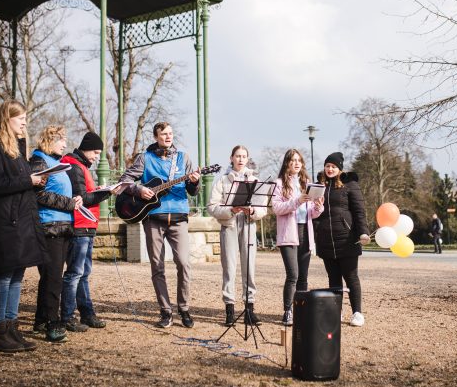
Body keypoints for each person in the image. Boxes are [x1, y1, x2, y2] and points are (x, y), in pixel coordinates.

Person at [119, 121, 200, 328]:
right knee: (157, 266)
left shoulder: (183, 158)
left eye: (170, 133)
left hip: (179, 217)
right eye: (164, 134)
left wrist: (194, 181)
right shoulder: (145, 158)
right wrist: (139, 190)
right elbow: (125, 180)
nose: (168, 136)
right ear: (156, 136)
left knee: (184, 263)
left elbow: (193, 191)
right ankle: (165, 311)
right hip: (153, 217)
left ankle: (184, 308)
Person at [0, 100, 47, 353]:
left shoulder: (16, 148)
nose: (24, 123)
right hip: (5, 222)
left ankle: (12, 328)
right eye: (21, 119)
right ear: (7, 118)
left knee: (17, 275)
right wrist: (28, 180)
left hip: (21, 220)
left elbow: (19, 181)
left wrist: (36, 181)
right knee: (4, 274)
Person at [30, 126, 83, 343]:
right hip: (49, 226)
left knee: (51, 277)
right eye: (61, 140)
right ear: (50, 140)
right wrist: (69, 203)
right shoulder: (39, 161)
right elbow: (39, 195)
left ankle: (41, 321)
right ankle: (53, 324)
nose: (65, 144)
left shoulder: (56, 163)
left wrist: (75, 200)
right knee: (53, 279)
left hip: (62, 226)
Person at [207, 145, 268, 327]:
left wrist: (253, 211)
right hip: (230, 226)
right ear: (231, 158)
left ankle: (249, 309)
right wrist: (230, 210)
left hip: (248, 225)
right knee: (229, 268)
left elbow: (263, 208)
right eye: (237, 156)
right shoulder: (223, 180)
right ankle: (229, 310)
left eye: (244, 156)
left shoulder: (255, 181)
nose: (241, 159)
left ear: (247, 159)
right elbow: (212, 206)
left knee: (249, 267)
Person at [59, 131, 112, 332]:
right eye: (95, 152)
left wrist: (98, 191)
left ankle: (87, 313)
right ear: (86, 148)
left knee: (83, 273)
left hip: (87, 225)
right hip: (79, 226)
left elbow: (85, 194)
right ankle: (67, 316)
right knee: (75, 273)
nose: (97, 157)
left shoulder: (80, 166)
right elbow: (82, 199)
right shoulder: (74, 166)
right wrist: (106, 192)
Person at [314, 152, 370, 327]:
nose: (330, 169)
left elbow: (359, 211)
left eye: (333, 166)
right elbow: (313, 213)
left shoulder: (350, 185)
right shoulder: (319, 186)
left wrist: (363, 232)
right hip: (325, 240)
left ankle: (357, 313)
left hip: (347, 239)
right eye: (327, 166)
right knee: (333, 278)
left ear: (340, 168)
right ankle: (335, 311)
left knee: (351, 277)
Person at [271, 149, 323, 326]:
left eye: (299, 160)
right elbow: (277, 208)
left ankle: (301, 311)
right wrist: (297, 201)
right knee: (293, 275)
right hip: (288, 234)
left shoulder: (306, 183)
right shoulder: (279, 183)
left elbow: (312, 213)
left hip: (305, 232)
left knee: (303, 277)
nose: (296, 163)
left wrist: (318, 207)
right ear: (287, 163)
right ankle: (288, 311)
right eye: (293, 160)